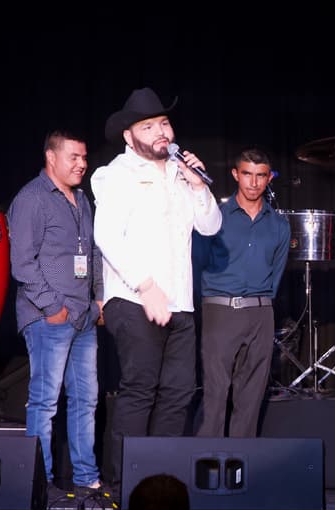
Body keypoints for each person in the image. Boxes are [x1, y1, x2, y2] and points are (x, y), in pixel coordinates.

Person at [92, 87, 222, 488]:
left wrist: (199, 186)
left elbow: (211, 226)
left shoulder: (181, 173)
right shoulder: (114, 175)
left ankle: (160, 483)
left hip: (179, 303)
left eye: (164, 123)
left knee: (179, 393)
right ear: (130, 137)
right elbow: (107, 237)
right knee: (139, 391)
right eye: (148, 126)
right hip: (134, 299)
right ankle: (122, 488)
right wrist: (146, 287)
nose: (160, 131)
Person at [8, 130, 104, 492]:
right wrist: (54, 307)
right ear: (52, 157)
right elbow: (22, 264)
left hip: (83, 315)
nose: (82, 164)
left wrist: (99, 298)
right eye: (74, 157)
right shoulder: (32, 198)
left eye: (84, 157)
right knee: (46, 401)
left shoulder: (82, 199)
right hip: (50, 316)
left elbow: (92, 253)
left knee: (86, 399)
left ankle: (86, 476)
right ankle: (40, 482)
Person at [194, 147, 290, 437]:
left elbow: (277, 273)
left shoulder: (279, 225)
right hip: (221, 310)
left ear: (269, 178)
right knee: (215, 395)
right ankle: (206, 468)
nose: (253, 182)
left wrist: (261, 305)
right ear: (236, 175)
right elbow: (198, 263)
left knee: (250, 399)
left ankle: (241, 470)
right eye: (247, 174)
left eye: (261, 176)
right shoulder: (215, 218)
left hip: (261, 312)